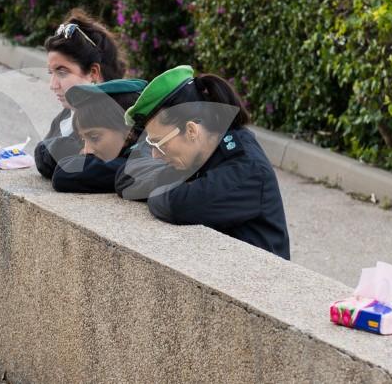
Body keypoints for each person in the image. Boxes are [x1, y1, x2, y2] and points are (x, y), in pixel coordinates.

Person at [116, 65, 290, 260]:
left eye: (159, 143)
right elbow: (126, 179)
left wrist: (164, 184)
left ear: (191, 130)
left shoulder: (247, 169)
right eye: (151, 143)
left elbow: (176, 205)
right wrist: (174, 176)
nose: (155, 155)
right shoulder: (196, 153)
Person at [34, 9, 126, 179]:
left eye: (62, 72)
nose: (53, 85)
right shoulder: (67, 116)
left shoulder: (117, 117)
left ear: (93, 72)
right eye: (51, 73)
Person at [51, 79, 147, 193]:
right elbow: (44, 153)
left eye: (94, 138)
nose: (86, 151)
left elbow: (63, 174)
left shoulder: (147, 155)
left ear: (129, 131)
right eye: (83, 139)